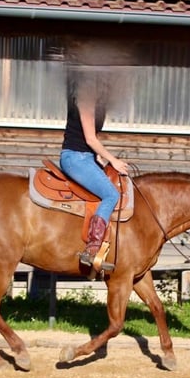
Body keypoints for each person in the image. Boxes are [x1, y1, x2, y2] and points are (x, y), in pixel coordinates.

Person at [60, 59, 129, 272]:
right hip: (75, 157)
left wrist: (98, 157)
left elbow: (89, 140)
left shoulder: (99, 103)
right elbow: (90, 139)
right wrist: (113, 160)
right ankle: (92, 249)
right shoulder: (85, 97)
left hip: (86, 157)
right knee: (111, 195)